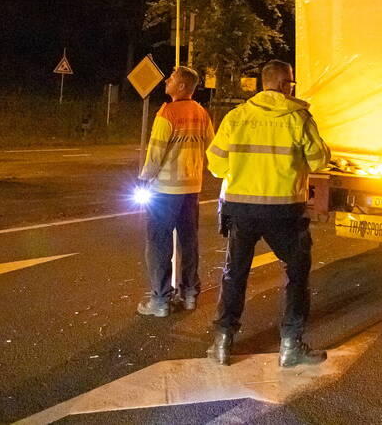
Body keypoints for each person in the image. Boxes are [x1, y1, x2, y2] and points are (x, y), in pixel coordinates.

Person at [206, 60, 331, 367]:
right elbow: (318, 161)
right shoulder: (299, 117)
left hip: (242, 209)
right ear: (285, 84)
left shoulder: (236, 117)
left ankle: (223, 342)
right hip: (284, 210)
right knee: (296, 273)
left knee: (235, 273)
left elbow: (216, 165)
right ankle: (290, 345)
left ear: (263, 83)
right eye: (291, 83)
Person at [136, 66, 214, 317]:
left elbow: (156, 152)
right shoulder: (202, 113)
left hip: (165, 190)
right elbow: (211, 147)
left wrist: (144, 178)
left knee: (159, 242)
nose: (166, 82)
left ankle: (160, 300)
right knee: (188, 240)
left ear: (181, 87)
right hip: (191, 188)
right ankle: (190, 294)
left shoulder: (167, 113)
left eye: (171, 80)